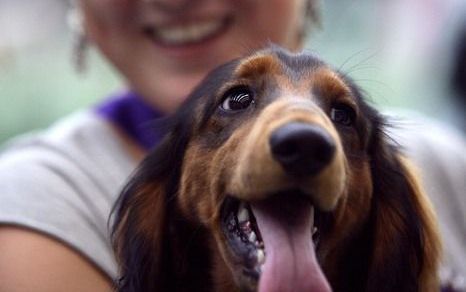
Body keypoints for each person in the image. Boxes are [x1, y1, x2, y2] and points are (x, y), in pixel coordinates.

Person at [0, 0, 464, 291]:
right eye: (236, 99)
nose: (176, 2)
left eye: (340, 116)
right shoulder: (32, 200)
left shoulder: (445, 165)